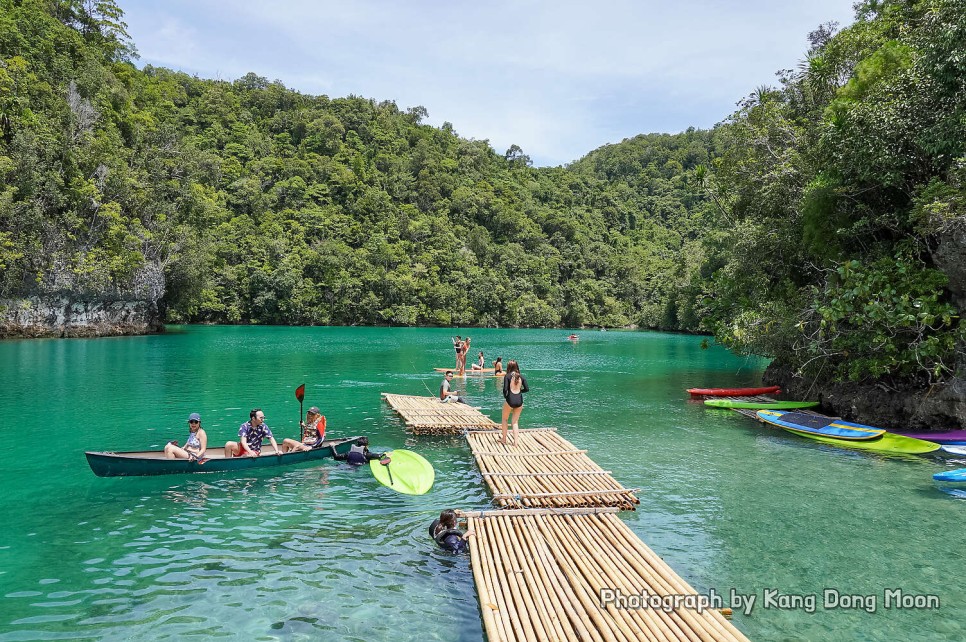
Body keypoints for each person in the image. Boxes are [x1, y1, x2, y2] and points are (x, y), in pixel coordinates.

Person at [500, 360, 529, 446]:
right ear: (517, 367)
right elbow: (527, 389)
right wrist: (520, 391)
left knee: (505, 419)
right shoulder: (521, 377)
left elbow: (505, 390)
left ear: (509, 367)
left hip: (510, 400)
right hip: (519, 401)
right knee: (515, 422)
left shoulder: (507, 376)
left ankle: (504, 439)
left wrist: (506, 397)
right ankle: (516, 442)